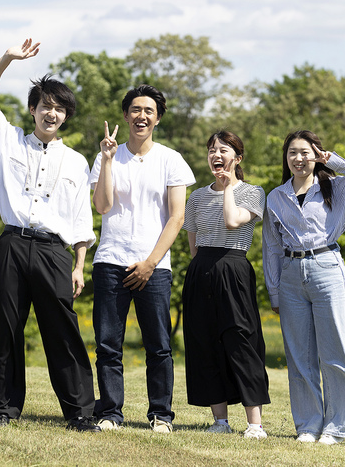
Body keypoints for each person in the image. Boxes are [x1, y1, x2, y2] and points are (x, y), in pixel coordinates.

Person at [0, 38, 100, 432]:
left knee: (63, 332)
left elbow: (82, 219)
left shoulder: (78, 161)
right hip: (11, 244)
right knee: (5, 329)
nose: (52, 113)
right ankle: (3, 411)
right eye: (46, 105)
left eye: (59, 108)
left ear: (65, 117)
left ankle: (80, 412)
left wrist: (80, 266)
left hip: (53, 252)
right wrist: (9, 58)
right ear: (33, 109)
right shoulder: (7, 139)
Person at [262, 130, 345, 445]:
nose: (298, 159)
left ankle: (337, 428)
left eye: (305, 152)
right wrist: (273, 291)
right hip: (290, 275)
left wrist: (336, 161)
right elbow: (271, 247)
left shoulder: (335, 188)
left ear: (316, 155)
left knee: (334, 352)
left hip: (327, 268)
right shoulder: (276, 196)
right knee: (299, 356)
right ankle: (309, 426)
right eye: (292, 153)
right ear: (285, 159)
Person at [90, 85, 196, 433]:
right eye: (135, 110)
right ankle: (109, 412)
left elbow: (177, 218)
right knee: (108, 345)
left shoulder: (171, 159)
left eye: (149, 111)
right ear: (125, 115)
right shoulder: (108, 155)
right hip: (110, 260)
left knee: (159, 345)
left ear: (158, 118)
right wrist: (106, 160)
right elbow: (102, 206)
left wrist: (150, 262)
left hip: (155, 267)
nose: (141, 116)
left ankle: (161, 415)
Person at [182, 130, 270, 439]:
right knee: (204, 342)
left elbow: (233, 221)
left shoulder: (253, 192)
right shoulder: (195, 197)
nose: (216, 155)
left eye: (223, 150)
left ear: (237, 158)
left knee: (240, 341)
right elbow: (193, 245)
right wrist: (201, 267)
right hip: (202, 269)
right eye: (211, 151)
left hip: (233, 267)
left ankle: (255, 425)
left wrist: (227, 187)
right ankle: (219, 420)